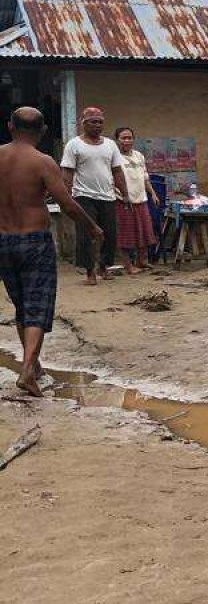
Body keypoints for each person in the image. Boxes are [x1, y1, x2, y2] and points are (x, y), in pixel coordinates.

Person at [0, 107, 104, 396]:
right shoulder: (42, 162)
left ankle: (34, 366)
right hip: (35, 241)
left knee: (22, 304)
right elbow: (67, 204)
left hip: (4, 240)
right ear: (43, 131)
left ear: (10, 126)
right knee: (37, 306)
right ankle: (27, 371)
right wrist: (92, 227)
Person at [61, 106, 126, 285]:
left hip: (108, 196)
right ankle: (90, 272)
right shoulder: (74, 145)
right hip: (83, 196)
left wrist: (125, 193)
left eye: (100, 122)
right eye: (93, 122)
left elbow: (117, 170)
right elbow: (67, 172)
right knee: (86, 234)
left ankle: (103, 267)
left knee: (110, 234)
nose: (97, 125)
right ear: (83, 123)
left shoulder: (110, 145)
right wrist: (66, 196)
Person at [113, 127, 158, 273]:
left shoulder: (139, 156)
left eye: (129, 138)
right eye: (123, 138)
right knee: (126, 234)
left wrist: (153, 193)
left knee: (144, 231)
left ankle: (141, 261)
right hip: (123, 200)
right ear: (117, 140)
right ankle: (128, 265)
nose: (127, 141)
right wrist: (121, 194)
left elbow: (145, 178)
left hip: (141, 199)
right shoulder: (114, 157)